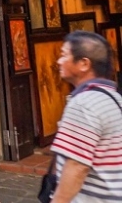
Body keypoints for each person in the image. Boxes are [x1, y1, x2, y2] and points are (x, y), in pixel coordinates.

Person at [48, 30, 122, 202]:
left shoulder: (83, 104)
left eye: (64, 55)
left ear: (83, 64)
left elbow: (77, 166)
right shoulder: (115, 98)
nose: (59, 61)